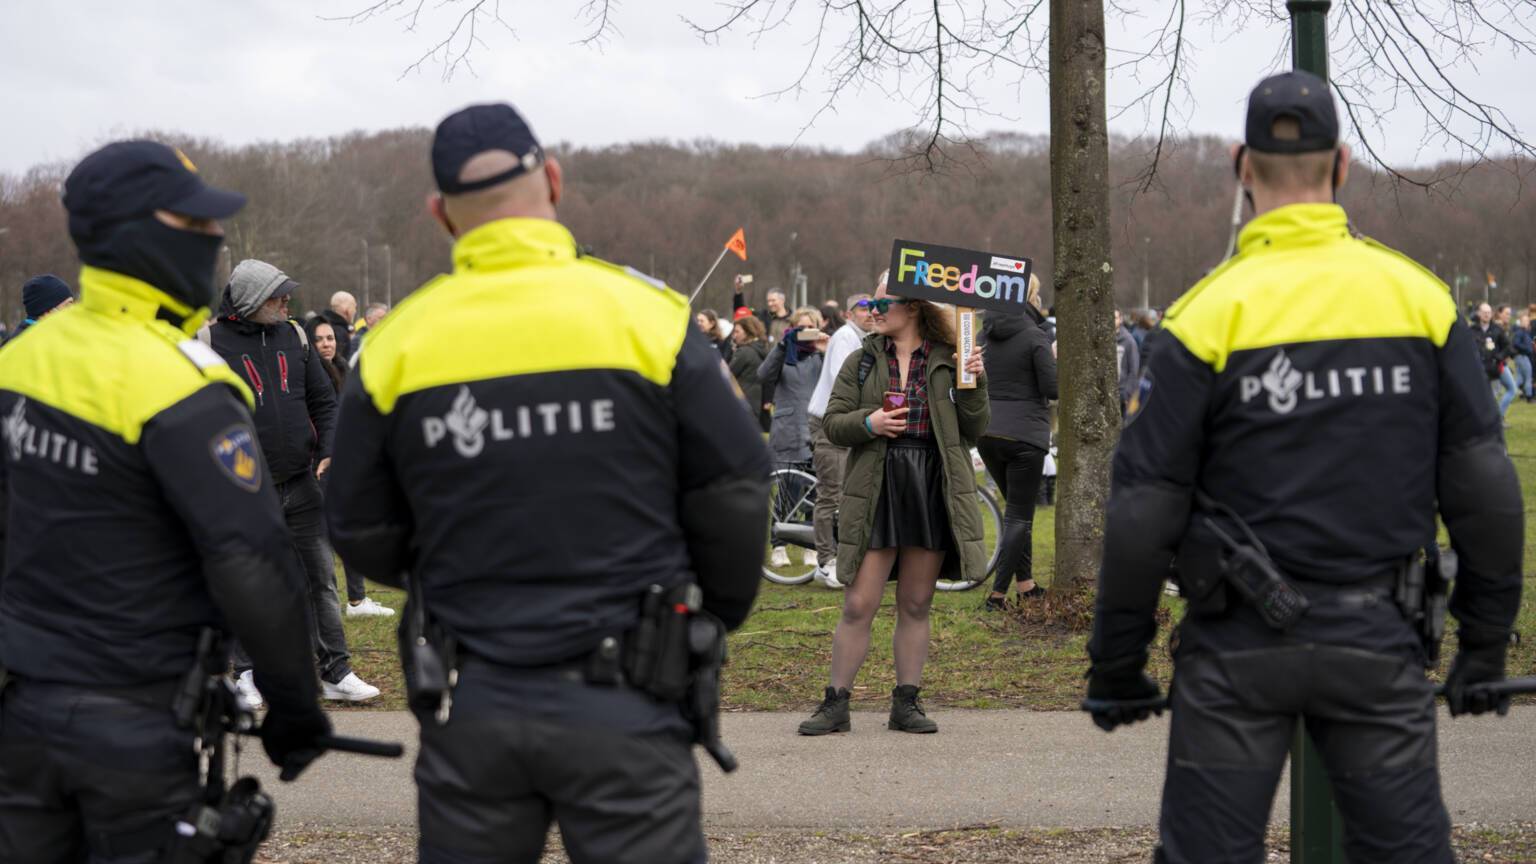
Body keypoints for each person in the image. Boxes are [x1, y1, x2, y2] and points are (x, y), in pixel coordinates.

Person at [1083, 72, 1524, 863]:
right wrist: (1484, 645)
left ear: (1241, 165)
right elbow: (1483, 486)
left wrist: (1117, 665)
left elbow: (1144, 508)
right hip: (1377, 640)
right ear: (1344, 167)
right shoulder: (1421, 302)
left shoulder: (1204, 314)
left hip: (1235, 648)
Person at [324, 103, 769, 864]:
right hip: (629, 692)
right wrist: (712, 613)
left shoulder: (398, 341)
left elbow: (357, 521)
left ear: (441, 214)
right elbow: (733, 485)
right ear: (553, 180)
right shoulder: (649, 317)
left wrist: (453, 567)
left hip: (478, 692)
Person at [0, 140, 332, 861]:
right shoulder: (185, 386)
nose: (215, 240)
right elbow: (255, 566)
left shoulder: (21, 361)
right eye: (198, 226)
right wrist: (297, 708)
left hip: (20, 712)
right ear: (141, 236)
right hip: (134, 724)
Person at [797, 288, 988, 736]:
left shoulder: (950, 357)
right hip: (877, 484)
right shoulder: (862, 359)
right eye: (869, 305)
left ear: (914, 307)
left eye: (883, 304)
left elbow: (975, 428)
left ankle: (906, 703)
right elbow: (833, 423)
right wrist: (871, 422)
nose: (873, 311)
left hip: (930, 484)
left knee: (916, 602)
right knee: (859, 602)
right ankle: (835, 704)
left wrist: (976, 380)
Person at [209, 259, 381, 707]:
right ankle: (245, 673)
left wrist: (328, 450)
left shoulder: (295, 336)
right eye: (277, 296)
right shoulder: (210, 342)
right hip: (244, 490)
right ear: (250, 301)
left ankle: (335, 671)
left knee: (320, 580)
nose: (287, 301)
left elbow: (324, 401)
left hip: (302, 483)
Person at [977, 274, 1057, 610]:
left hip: (987, 432)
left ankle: (1026, 586)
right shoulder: (1035, 336)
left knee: (1015, 513)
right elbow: (1053, 389)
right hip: (1025, 436)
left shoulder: (981, 334)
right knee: (1020, 517)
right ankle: (997, 595)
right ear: (1031, 297)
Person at [805, 284, 877, 589]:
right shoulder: (845, 337)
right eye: (863, 309)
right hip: (829, 423)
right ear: (849, 314)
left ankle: (847, 555)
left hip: (848, 422)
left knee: (850, 493)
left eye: (873, 308)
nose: (870, 314)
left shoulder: (866, 339)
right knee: (831, 493)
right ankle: (825, 561)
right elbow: (843, 381)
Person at [759, 309, 828, 570]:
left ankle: (812, 545)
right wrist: (782, 344)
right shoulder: (783, 355)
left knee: (817, 492)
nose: (806, 331)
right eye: (801, 327)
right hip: (788, 429)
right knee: (787, 491)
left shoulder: (821, 356)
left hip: (816, 429)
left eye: (811, 326)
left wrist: (826, 348)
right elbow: (763, 375)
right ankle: (778, 544)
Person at [1472, 302, 1516, 417]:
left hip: (1495, 368)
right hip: (1479, 369)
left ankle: (1497, 418)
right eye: (1484, 312)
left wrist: (1499, 357)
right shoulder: (1472, 330)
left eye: (1488, 312)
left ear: (1491, 314)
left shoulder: (1497, 330)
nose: (1486, 315)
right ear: (1479, 313)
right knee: (1483, 397)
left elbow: (1508, 347)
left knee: (1507, 391)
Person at [729, 314, 770, 430]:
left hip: (740, 402)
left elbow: (727, 375)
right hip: (755, 402)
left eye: (737, 332)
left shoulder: (744, 352)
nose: (734, 336)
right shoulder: (762, 349)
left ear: (747, 331)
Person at [11, 274, 75, 340]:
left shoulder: (44, 336)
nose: (73, 309)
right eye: (67, 305)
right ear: (47, 310)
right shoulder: (27, 342)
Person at [1114, 309, 1140, 417]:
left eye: (1114, 318)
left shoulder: (1129, 341)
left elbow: (1134, 370)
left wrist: (1127, 393)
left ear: (1120, 319)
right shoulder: (1102, 341)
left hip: (1122, 394)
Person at [322, 290, 358, 361]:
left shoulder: (322, 325)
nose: (355, 311)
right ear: (346, 309)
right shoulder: (339, 332)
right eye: (354, 307)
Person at [1511, 310, 1534, 403]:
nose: (1527, 322)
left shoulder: (1525, 332)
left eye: (1527, 321)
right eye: (1525, 321)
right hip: (1522, 356)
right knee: (1528, 376)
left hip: (1522, 357)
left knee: (1520, 378)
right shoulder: (1519, 332)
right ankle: (1529, 397)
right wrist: (1527, 349)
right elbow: (1516, 343)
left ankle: (1511, 393)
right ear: (1521, 322)